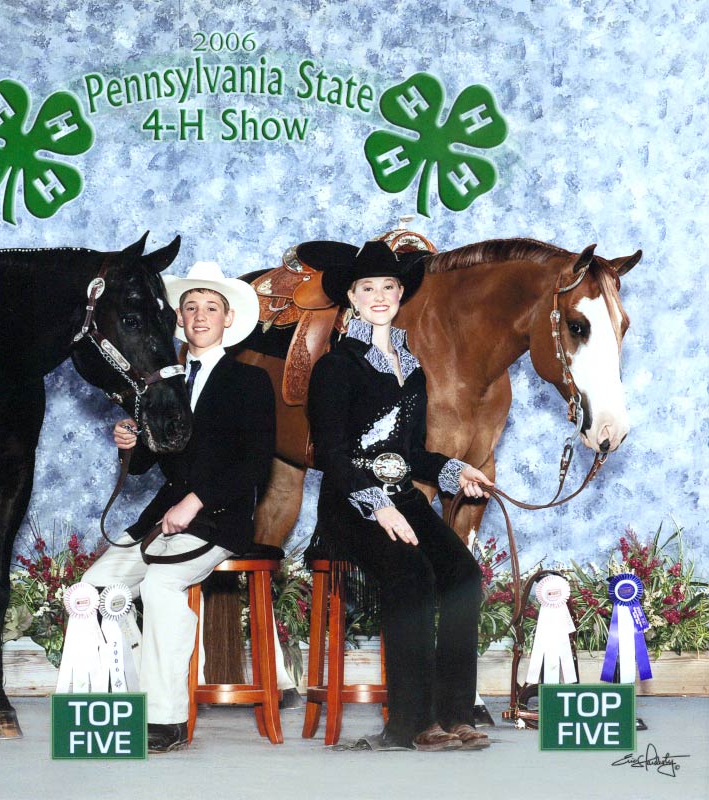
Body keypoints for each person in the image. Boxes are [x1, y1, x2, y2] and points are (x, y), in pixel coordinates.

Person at [307, 239, 493, 751]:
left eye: (388, 286)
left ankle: (455, 713)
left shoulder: (411, 368)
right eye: (368, 287)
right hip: (351, 503)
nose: (380, 295)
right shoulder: (335, 366)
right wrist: (379, 504)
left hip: (403, 498)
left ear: (399, 292)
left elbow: (413, 454)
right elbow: (332, 455)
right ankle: (410, 723)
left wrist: (458, 472)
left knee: (461, 576)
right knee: (412, 575)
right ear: (351, 296)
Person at [83, 261, 275, 753]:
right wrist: (130, 442)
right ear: (178, 319)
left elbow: (255, 466)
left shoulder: (249, 382)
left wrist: (197, 499)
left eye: (211, 307)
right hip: (163, 517)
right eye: (190, 307)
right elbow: (150, 461)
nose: (200, 315)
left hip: (219, 517)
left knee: (163, 584)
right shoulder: (158, 382)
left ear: (228, 318)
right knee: (93, 591)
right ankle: (127, 697)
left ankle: (165, 720)